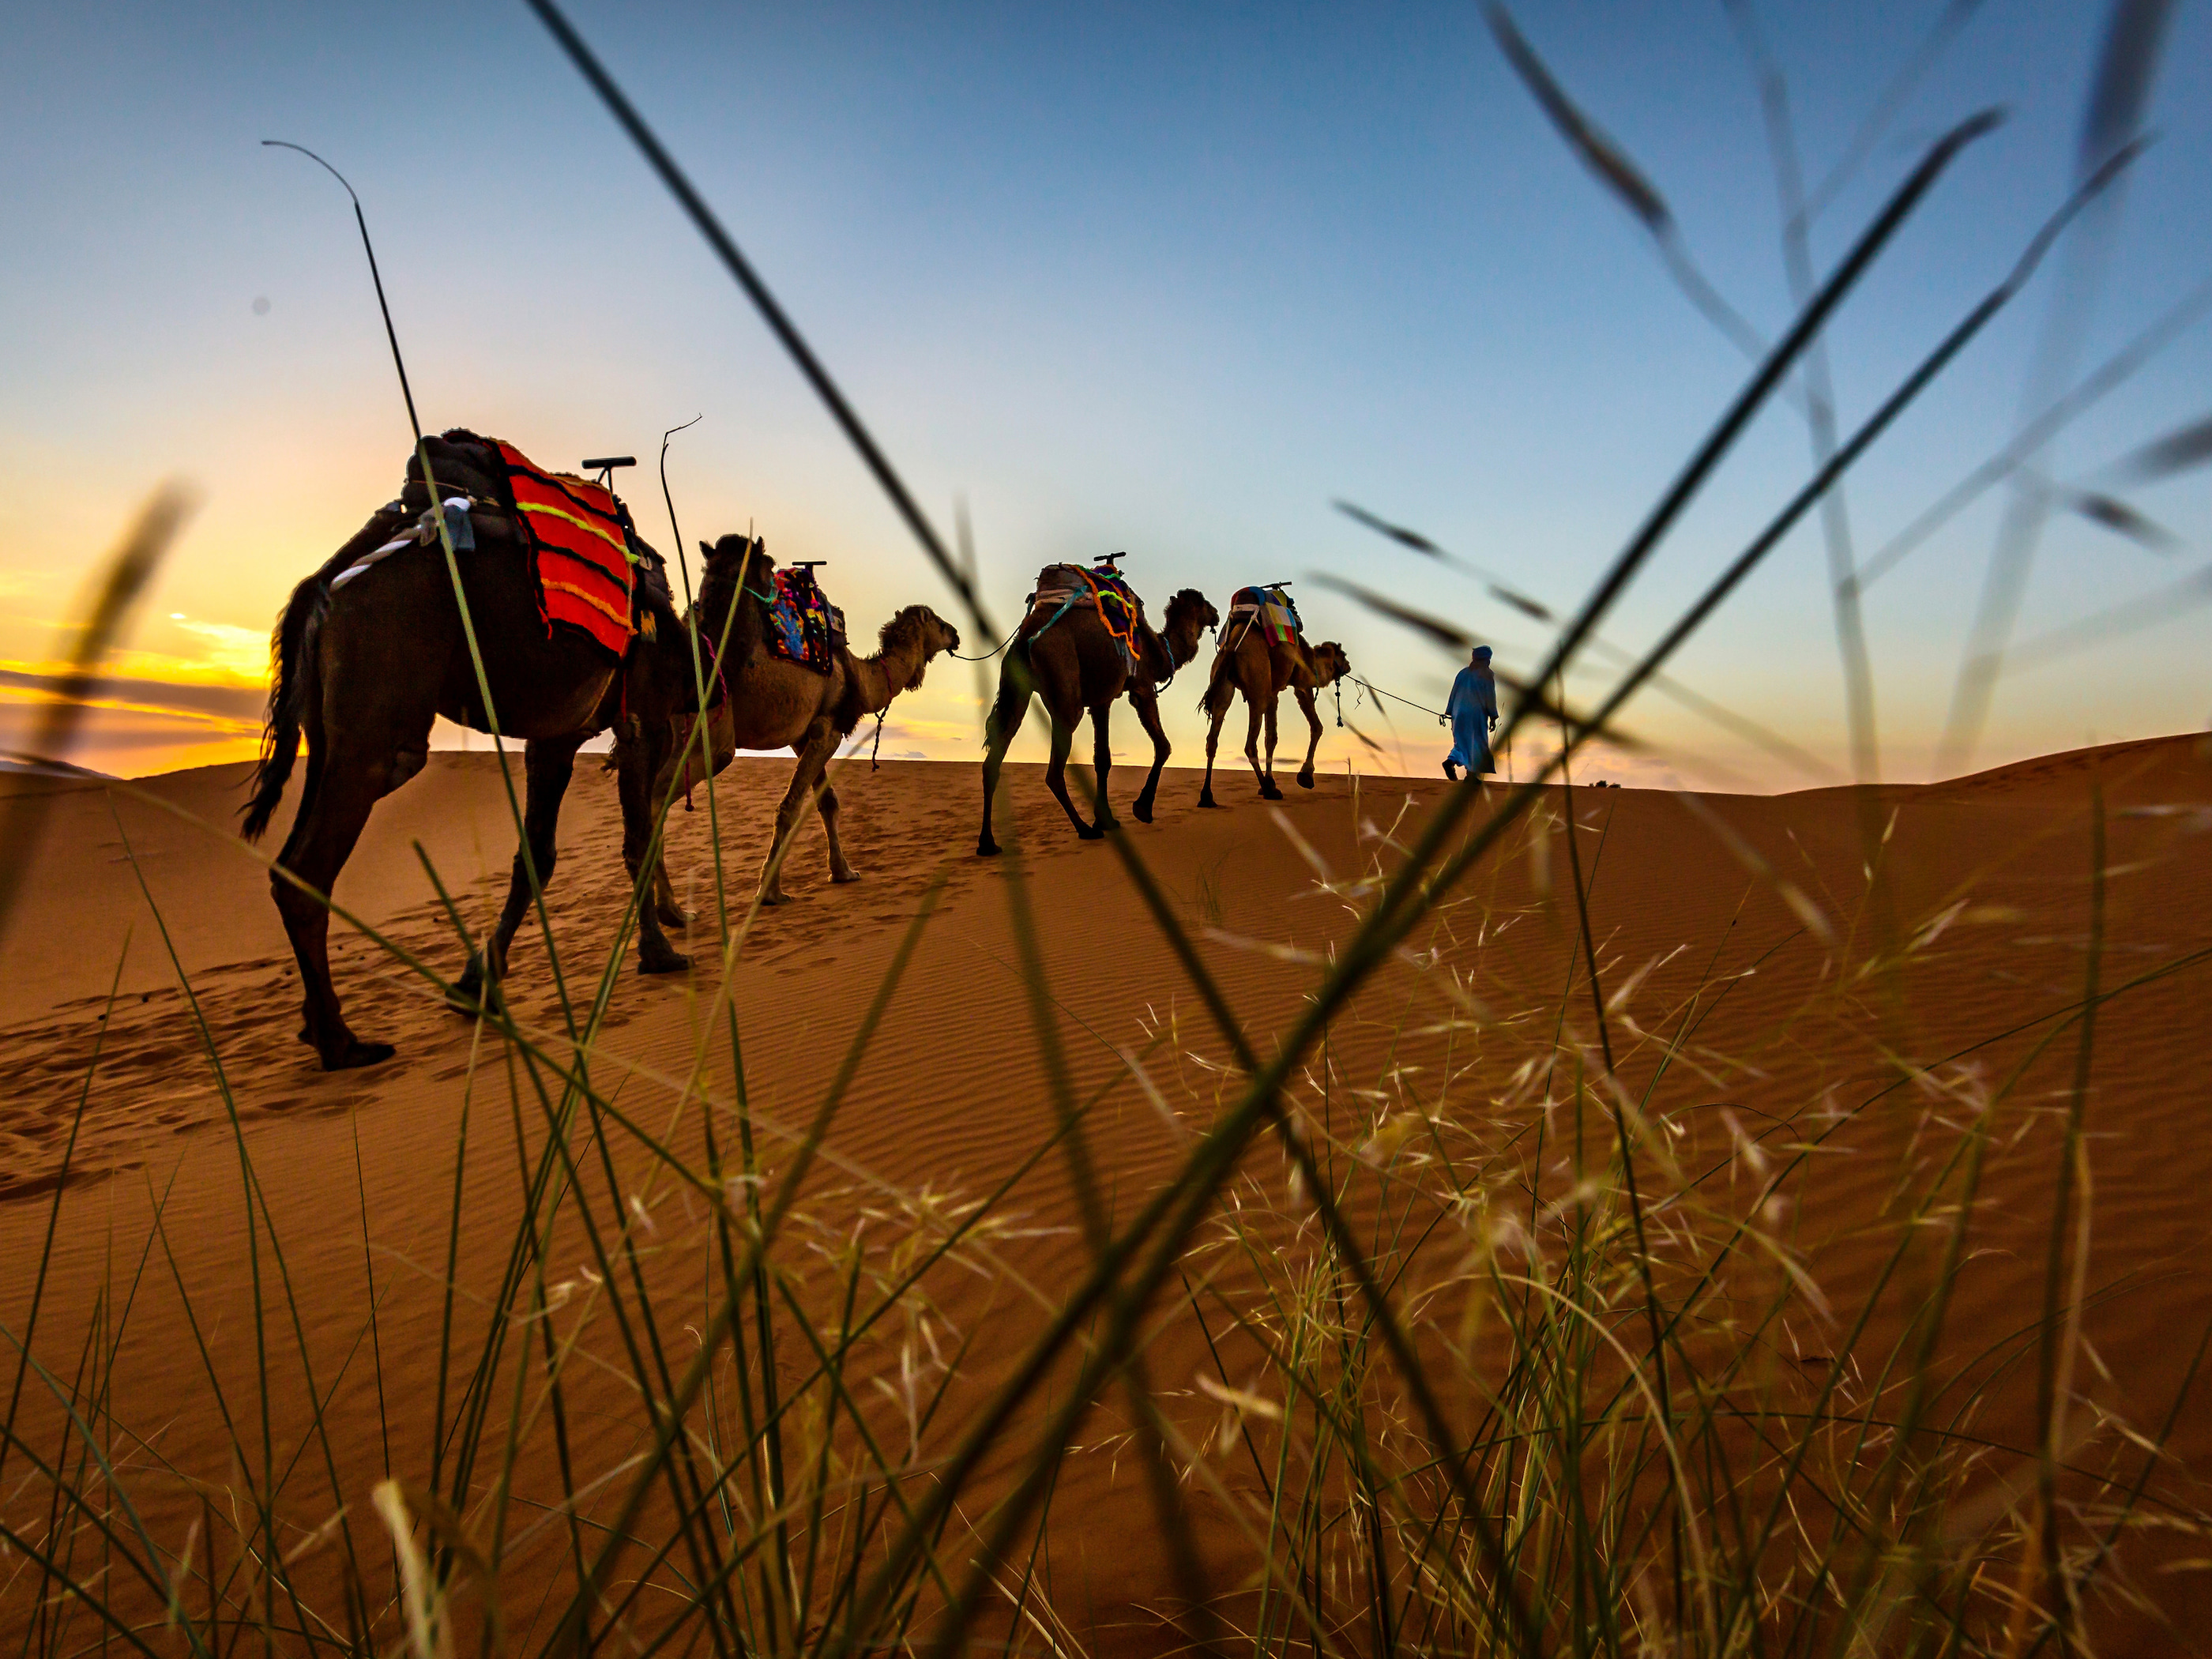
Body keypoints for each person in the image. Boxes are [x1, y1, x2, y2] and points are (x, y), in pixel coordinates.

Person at [1443, 645, 1499, 781]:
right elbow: (1490, 696)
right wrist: (1493, 716)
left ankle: (1451, 762)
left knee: (1461, 743)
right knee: (1477, 743)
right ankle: (1472, 775)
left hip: (1458, 714)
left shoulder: (1462, 673)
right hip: (1476, 715)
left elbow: (1453, 694)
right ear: (1486, 659)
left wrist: (1450, 712)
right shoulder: (1487, 674)